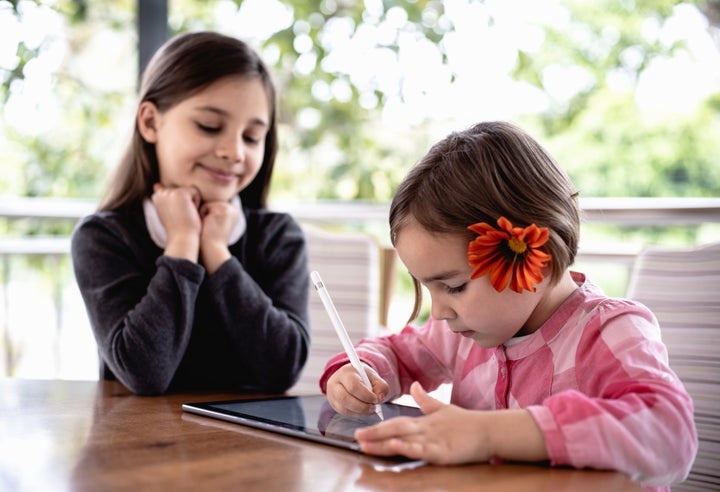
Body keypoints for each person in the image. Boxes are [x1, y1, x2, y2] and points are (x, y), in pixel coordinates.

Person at [320, 121, 697, 490]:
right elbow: (397, 354)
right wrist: (359, 372)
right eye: (428, 288)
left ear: (537, 255)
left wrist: (491, 434)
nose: (438, 312)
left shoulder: (608, 331)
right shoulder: (462, 333)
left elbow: (672, 435)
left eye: (454, 286)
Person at [71, 31, 310, 396]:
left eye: (251, 137)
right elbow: (145, 374)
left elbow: (282, 370)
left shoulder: (278, 236)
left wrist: (216, 252)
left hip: (251, 448)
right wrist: (183, 241)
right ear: (151, 122)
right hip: (138, 446)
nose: (234, 151)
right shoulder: (104, 237)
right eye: (210, 126)